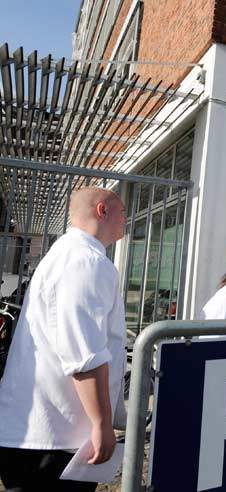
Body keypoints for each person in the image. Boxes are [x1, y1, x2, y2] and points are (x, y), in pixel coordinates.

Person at [0, 188, 127, 491]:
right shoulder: (85, 262)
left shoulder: (69, 255)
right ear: (102, 210)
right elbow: (83, 351)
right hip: (52, 442)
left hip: (46, 435)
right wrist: (101, 423)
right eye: (122, 212)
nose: (127, 219)